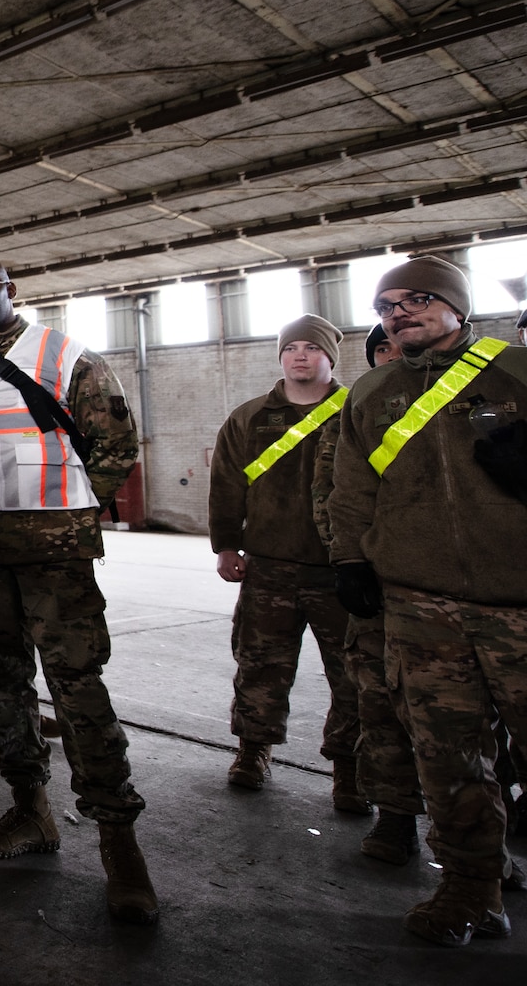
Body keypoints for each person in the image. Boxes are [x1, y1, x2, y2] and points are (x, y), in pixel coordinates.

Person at [0, 256, 156, 926]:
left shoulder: (65, 355)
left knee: (77, 684)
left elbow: (116, 442)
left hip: (54, 552)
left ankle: (119, 840)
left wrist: (75, 506)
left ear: (12, 290)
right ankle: (30, 808)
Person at [328, 255, 527, 946]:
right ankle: (471, 886)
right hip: (419, 604)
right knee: (446, 756)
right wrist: (350, 556)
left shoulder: (517, 372)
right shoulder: (371, 391)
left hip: (518, 601)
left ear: (457, 305)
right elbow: (350, 489)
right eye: (386, 306)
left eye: (415, 299)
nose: (398, 313)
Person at [207, 316, 362, 805]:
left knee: (354, 675)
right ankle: (253, 750)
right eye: (291, 347)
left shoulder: (356, 412)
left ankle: (349, 768)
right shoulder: (250, 417)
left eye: (311, 348)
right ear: (280, 356)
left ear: (329, 358)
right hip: (268, 568)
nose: (300, 355)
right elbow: (227, 484)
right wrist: (226, 545)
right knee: (259, 667)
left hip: (341, 571)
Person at [311, 324, 428, 863]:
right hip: (381, 583)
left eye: (399, 344)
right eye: (381, 347)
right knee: (379, 705)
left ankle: (484, 841)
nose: (394, 352)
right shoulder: (359, 410)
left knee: (470, 723)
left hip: (464, 587)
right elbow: (333, 492)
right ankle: (396, 817)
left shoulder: (471, 401)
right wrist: (348, 558)